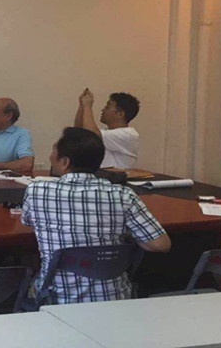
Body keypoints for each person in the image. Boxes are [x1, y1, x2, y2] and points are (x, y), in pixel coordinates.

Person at [21, 127, 171, 305]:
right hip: (116, 300)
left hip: (58, 301)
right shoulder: (123, 195)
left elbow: (27, 220)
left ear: (65, 162)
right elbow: (161, 244)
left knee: (29, 281)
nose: (50, 156)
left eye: (53, 151)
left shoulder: (37, 191)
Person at [74, 88, 141, 169]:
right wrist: (82, 106)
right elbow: (80, 132)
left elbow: (91, 135)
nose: (103, 110)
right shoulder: (105, 132)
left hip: (116, 177)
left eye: (107, 107)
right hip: (100, 175)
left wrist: (87, 106)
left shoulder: (129, 134)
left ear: (120, 114)